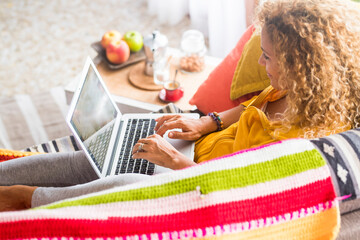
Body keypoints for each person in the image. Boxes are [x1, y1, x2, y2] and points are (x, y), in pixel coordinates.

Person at [1, 0, 360, 211]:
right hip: (191, 152)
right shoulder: (291, 88)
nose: (262, 66)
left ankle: (24, 202)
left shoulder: (304, 140)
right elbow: (251, 107)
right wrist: (208, 123)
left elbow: (239, 193)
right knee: (94, 157)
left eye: (267, 57)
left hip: (195, 182)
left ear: (301, 65)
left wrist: (173, 161)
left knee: (106, 182)